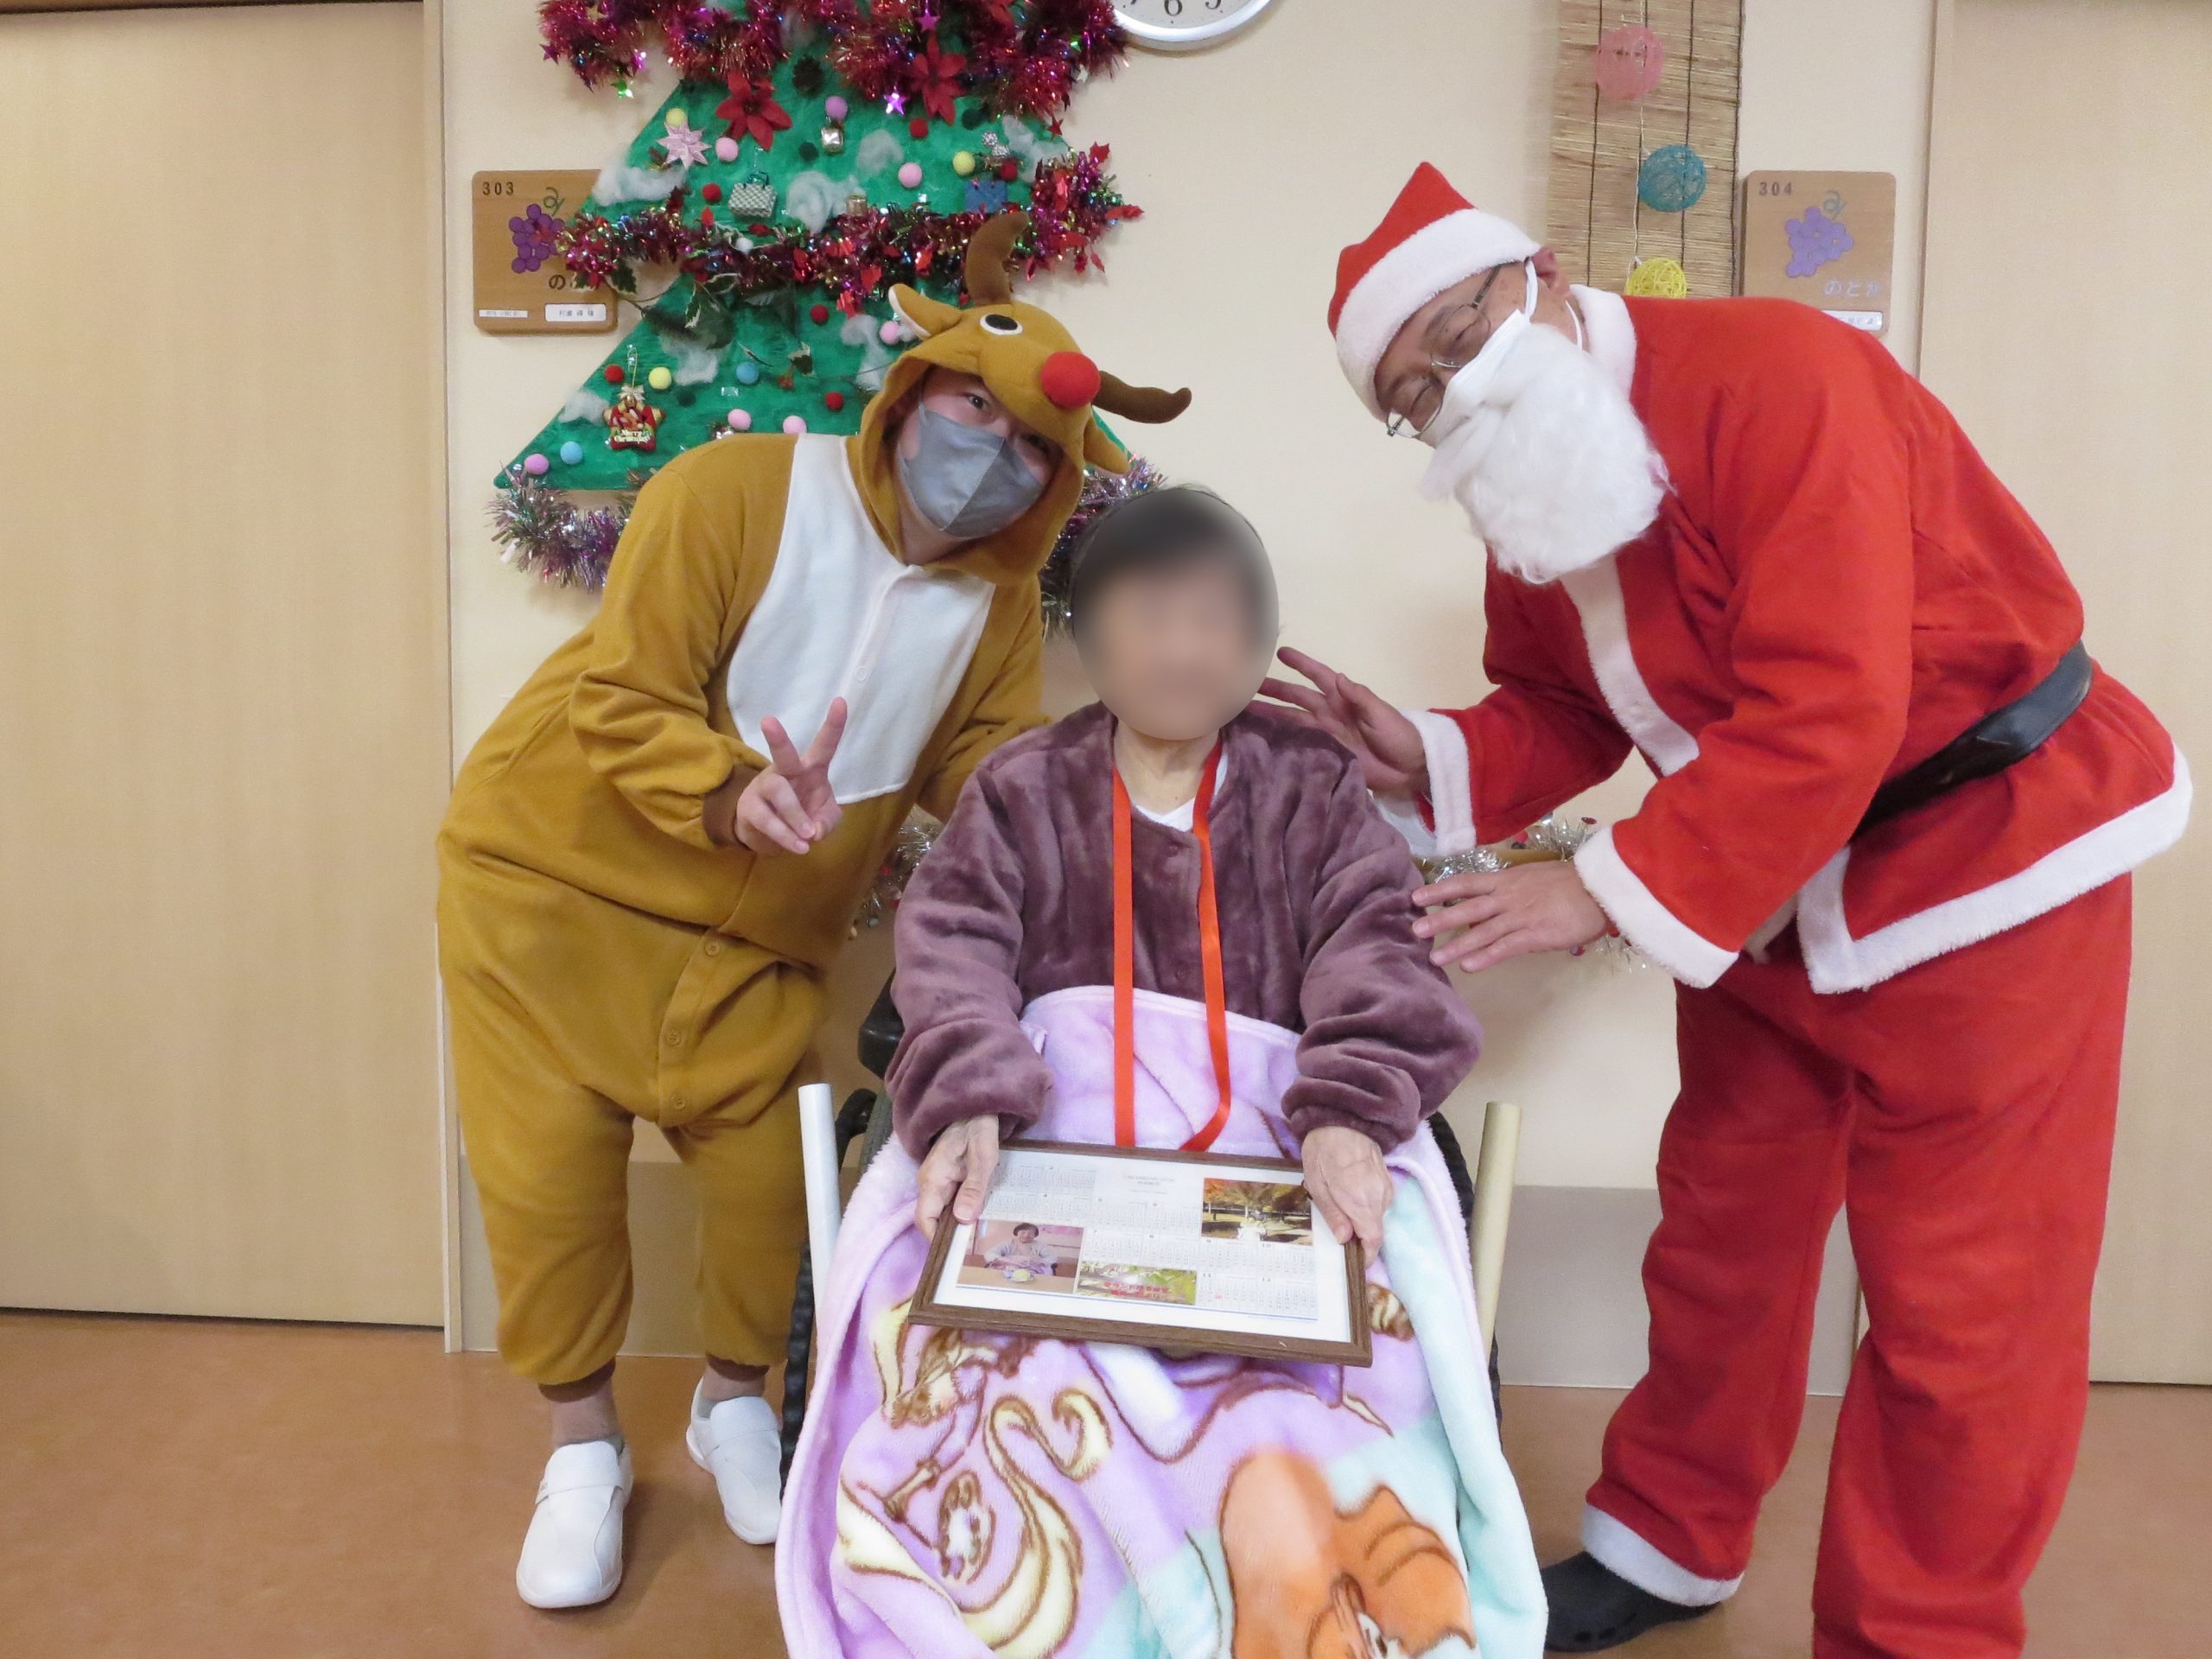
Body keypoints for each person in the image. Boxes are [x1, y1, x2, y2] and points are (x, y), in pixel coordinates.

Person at [1270, 162, 2190, 1657]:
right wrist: (1428, 753)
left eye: (1457, 336)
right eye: (1413, 393)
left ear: (1541, 272)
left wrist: (1594, 891)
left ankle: (1919, 1637)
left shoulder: (1781, 375)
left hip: (1987, 864)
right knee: (1720, 1239)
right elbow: (1572, 706)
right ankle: (1666, 1545)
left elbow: (1835, 700)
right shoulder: (1522, 479)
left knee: (1967, 1312)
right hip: (1766, 882)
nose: (1453, 389)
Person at [436, 211, 1188, 1611]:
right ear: (913, 392)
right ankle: (581, 1448)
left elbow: (979, 765)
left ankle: (735, 1403)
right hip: (553, 891)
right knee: (547, 1189)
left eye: (1034, 446)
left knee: (767, 1190)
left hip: (757, 942)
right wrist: (729, 794)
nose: (995, 452)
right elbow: (625, 695)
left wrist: (1098, 806)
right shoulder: (731, 492)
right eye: (976, 407)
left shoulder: (998, 606)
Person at [777, 487, 1547, 1658]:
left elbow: (1376, 944)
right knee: (966, 1349)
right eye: (1149, 618)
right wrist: (968, 1090)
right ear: (1089, 641)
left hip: (1267, 1138)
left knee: (1342, 1370)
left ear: (1259, 640)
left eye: (1216, 619)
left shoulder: (1312, 786)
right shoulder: (1024, 785)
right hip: (1056, 1138)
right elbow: (954, 942)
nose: (1185, 648)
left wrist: (1348, 1109)